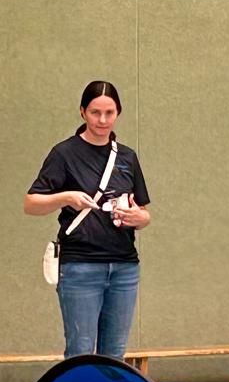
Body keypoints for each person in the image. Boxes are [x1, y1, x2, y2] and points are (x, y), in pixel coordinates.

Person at [25, 80, 152, 359]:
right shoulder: (64, 154)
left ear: (118, 113)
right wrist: (66, 197)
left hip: (124, 266)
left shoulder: (127, 157)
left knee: (114, 355)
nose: (102, 120)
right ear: (82, 112)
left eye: (109, 113)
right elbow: (31, 203)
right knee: (80, 352)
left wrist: (138, 217)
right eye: (95, 112)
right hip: (80, 266)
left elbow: (144, 214)